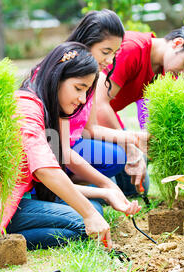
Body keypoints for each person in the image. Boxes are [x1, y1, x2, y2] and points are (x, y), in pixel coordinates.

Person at [0, 42, 141, 257]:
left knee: (93, 212)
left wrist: (106, 192)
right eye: (78, 88)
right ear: (56, 77)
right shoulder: (27, 107)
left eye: (87, 91)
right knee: (84, 223)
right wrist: (88, 214)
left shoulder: (49, 109)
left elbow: (50, 182)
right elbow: (45, 170)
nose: (82, 99)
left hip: (13, 203)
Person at [94, 22, 184, 194]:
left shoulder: (166, 72)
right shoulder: (132, 48)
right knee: (116, 161)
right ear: (177, 43)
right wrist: (129, 148)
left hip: (102, 123)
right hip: (77, 122)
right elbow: (98, 104)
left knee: (139, 186)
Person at [62, 9, 149, 197]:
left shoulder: (94, 77)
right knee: (115, 158)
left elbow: (91, 129)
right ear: (87, 42)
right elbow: (58, 145)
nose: (110, 60)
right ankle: (61, 189)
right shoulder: (65, 74)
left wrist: (133, 138)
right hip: (55, 148)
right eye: (105, 52)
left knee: (116, 156)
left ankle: (72, 188)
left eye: (115, 53)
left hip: (75, 143)